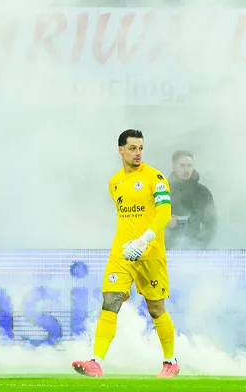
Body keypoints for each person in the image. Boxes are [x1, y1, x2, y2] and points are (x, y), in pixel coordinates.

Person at [71, 130, 179, 379]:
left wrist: (144, 240)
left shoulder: (156, 178)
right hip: (122, 254)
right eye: (132, 148)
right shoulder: (115, 182)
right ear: (120, 150)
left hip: (150, 254)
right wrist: (129, 243)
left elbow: (164, 213)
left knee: (156, 308)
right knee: (110, 302)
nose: (138, 153)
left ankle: (170, 361)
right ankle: (96, 362)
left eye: (141, 148)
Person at [167, 151, 217, 249]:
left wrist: (197, 247)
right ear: (174, 165)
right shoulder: (163, 190)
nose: (186, 169)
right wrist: (165, 225)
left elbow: (211, 225)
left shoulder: (202, 192)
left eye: (189, 165)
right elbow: (151, 221)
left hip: (194, 253)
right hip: (166, 252)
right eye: (182, 165)